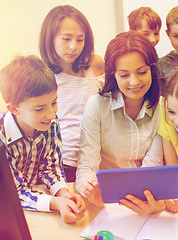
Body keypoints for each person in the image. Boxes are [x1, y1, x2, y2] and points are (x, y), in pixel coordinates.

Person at [0, 55, 86, 224]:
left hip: (35, 204)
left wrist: (63, 193)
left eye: (54, 102)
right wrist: (56, 203)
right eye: (39, 108)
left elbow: (51, 167)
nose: (50, 113)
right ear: (14, 109)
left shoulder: (49, 122)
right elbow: (13, 192)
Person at [76, 31, 164, 214]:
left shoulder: (162, 107)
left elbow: (153, 165)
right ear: (113, 75)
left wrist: (150, 200)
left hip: (145, 198)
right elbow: (86, 166)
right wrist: (89, 187)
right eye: (124, 75)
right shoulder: (97, 106)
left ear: (152, 70)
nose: (134, 82)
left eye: (142, 72)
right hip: (105, 201)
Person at [39, 5, 105, 182]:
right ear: (50, 38)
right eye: (66, 39)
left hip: (96, 160)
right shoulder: (42, 74)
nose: (73, 47)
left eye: (80, 40)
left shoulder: (95, 65)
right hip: (59, 162)